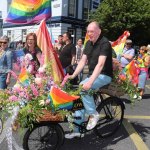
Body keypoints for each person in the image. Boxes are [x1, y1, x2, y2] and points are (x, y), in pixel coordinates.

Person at [65, 21, 113, 139]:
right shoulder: (88, 43)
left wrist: (90, 82)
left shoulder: (105, 43)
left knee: (83, 87)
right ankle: (77, 130)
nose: (89, 33)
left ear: (99, 31)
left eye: (92, 31)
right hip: (92, 75)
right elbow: (82, 61)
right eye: (88, 31)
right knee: (77, 100)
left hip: (104, 75)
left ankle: (93, 114)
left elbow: (100, 65)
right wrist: (73, 76)